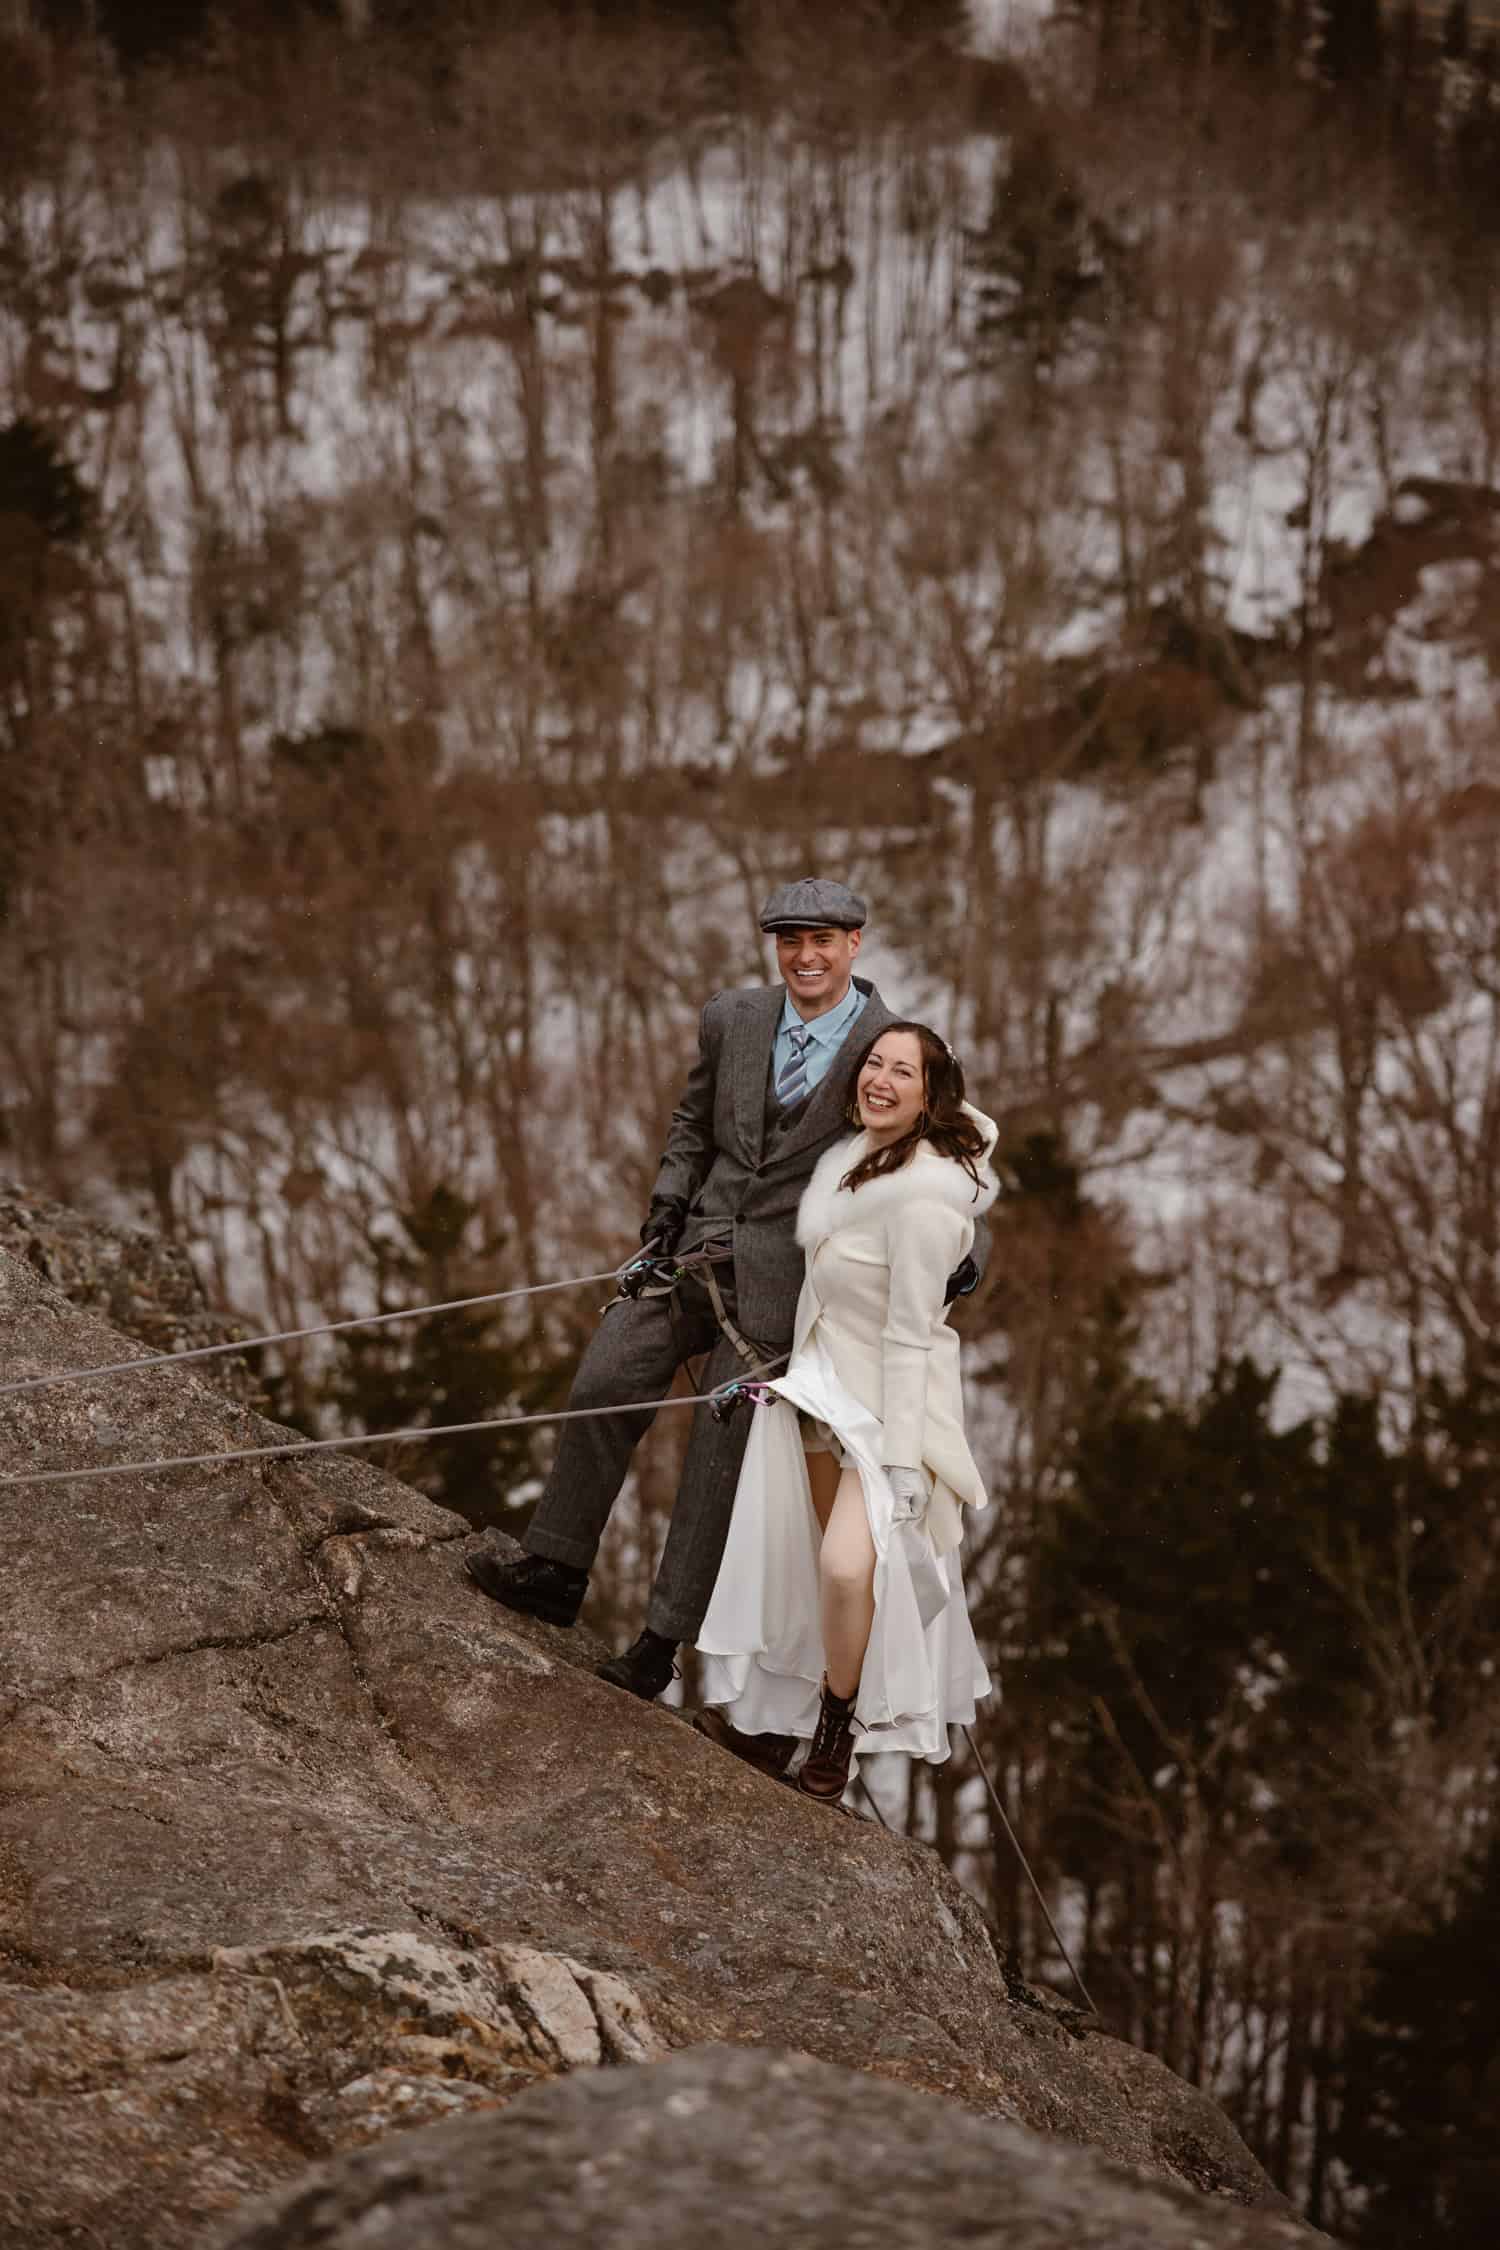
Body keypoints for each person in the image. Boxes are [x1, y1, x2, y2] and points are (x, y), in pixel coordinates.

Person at [467, 879, 986, 1700]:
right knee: (606, 1377)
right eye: (790, 941)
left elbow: (944, 1149)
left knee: (718, 1461)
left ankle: (657, 1643)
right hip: (693, 1253)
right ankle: (555, 1567)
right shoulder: (732, 1019)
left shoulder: (895, 1048)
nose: (805, 957)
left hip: (789, 1294)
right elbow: (691, 1122)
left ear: (857, 943)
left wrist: (966, 1247)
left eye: (823, 940)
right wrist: (666, 1207)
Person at [695, 1022, 999, 1803]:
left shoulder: (928, 1200)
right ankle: (777, 1727)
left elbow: (910, 1336)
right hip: (818, 1393)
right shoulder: (849, 1163)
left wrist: (901, 1462)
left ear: (931, 1097)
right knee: (804, 1566)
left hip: (885, 1414)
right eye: (874, 1064)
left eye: (904, 1072)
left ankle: (837, 1727)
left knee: (844, 1569)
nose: (881, 1080)